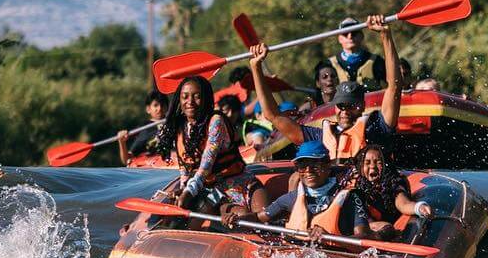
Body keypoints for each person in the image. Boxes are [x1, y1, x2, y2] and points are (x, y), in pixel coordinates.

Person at [251, 14, 401, 165]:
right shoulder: (320, 136)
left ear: (362, 107)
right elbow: (273, 116)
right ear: (334, 107)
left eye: (351, 106)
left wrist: (385, 35)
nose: (345, 111)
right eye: (341, 106)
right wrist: (256, 67)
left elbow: (394, 87)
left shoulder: (376, 130)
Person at [223, 141, 368, 241]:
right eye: (302, 166)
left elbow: (363, 236)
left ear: (328, 165)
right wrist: (238, 219)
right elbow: (258, 218)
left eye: (315, 165)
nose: (308, 171)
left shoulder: (350, 197)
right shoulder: (291, 199)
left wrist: (330, 237)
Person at [152, 75, 249, 213]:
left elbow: (206, 165)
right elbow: (185, 169)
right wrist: (184, 188)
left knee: (201, 212)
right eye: (185, 97)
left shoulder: (216, 121)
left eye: (196, 96)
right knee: (179, 211)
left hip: (232, 183)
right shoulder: (181, 126)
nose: (190, 102)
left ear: (206, 99)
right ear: (179, 100)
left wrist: (189, 191)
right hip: (206, 186)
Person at [343, 143, 433, 239]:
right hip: (356, 225)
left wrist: (418, 207)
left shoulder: (393, 183)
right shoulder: (355, 183)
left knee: (387, 228)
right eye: (367, 162)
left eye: (378, 162)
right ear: (360, 166)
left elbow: (403, 204)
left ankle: (366, 238)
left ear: (386, 166)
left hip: (376, 228)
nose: (373, 166)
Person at [328, 16, 388, 85]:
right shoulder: (329, 65)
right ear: (339, 39)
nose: (350, 36)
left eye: (354, 32)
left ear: (362, 36)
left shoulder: (377, 61)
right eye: (345, 33)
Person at [117, 89, 167, 164]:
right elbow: (126, 160)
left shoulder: (175, 124)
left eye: (162, 105)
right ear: (148, 109)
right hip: (156, 168)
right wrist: (121, 142)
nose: (159, 109)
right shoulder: (144, 129)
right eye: (155, 105)